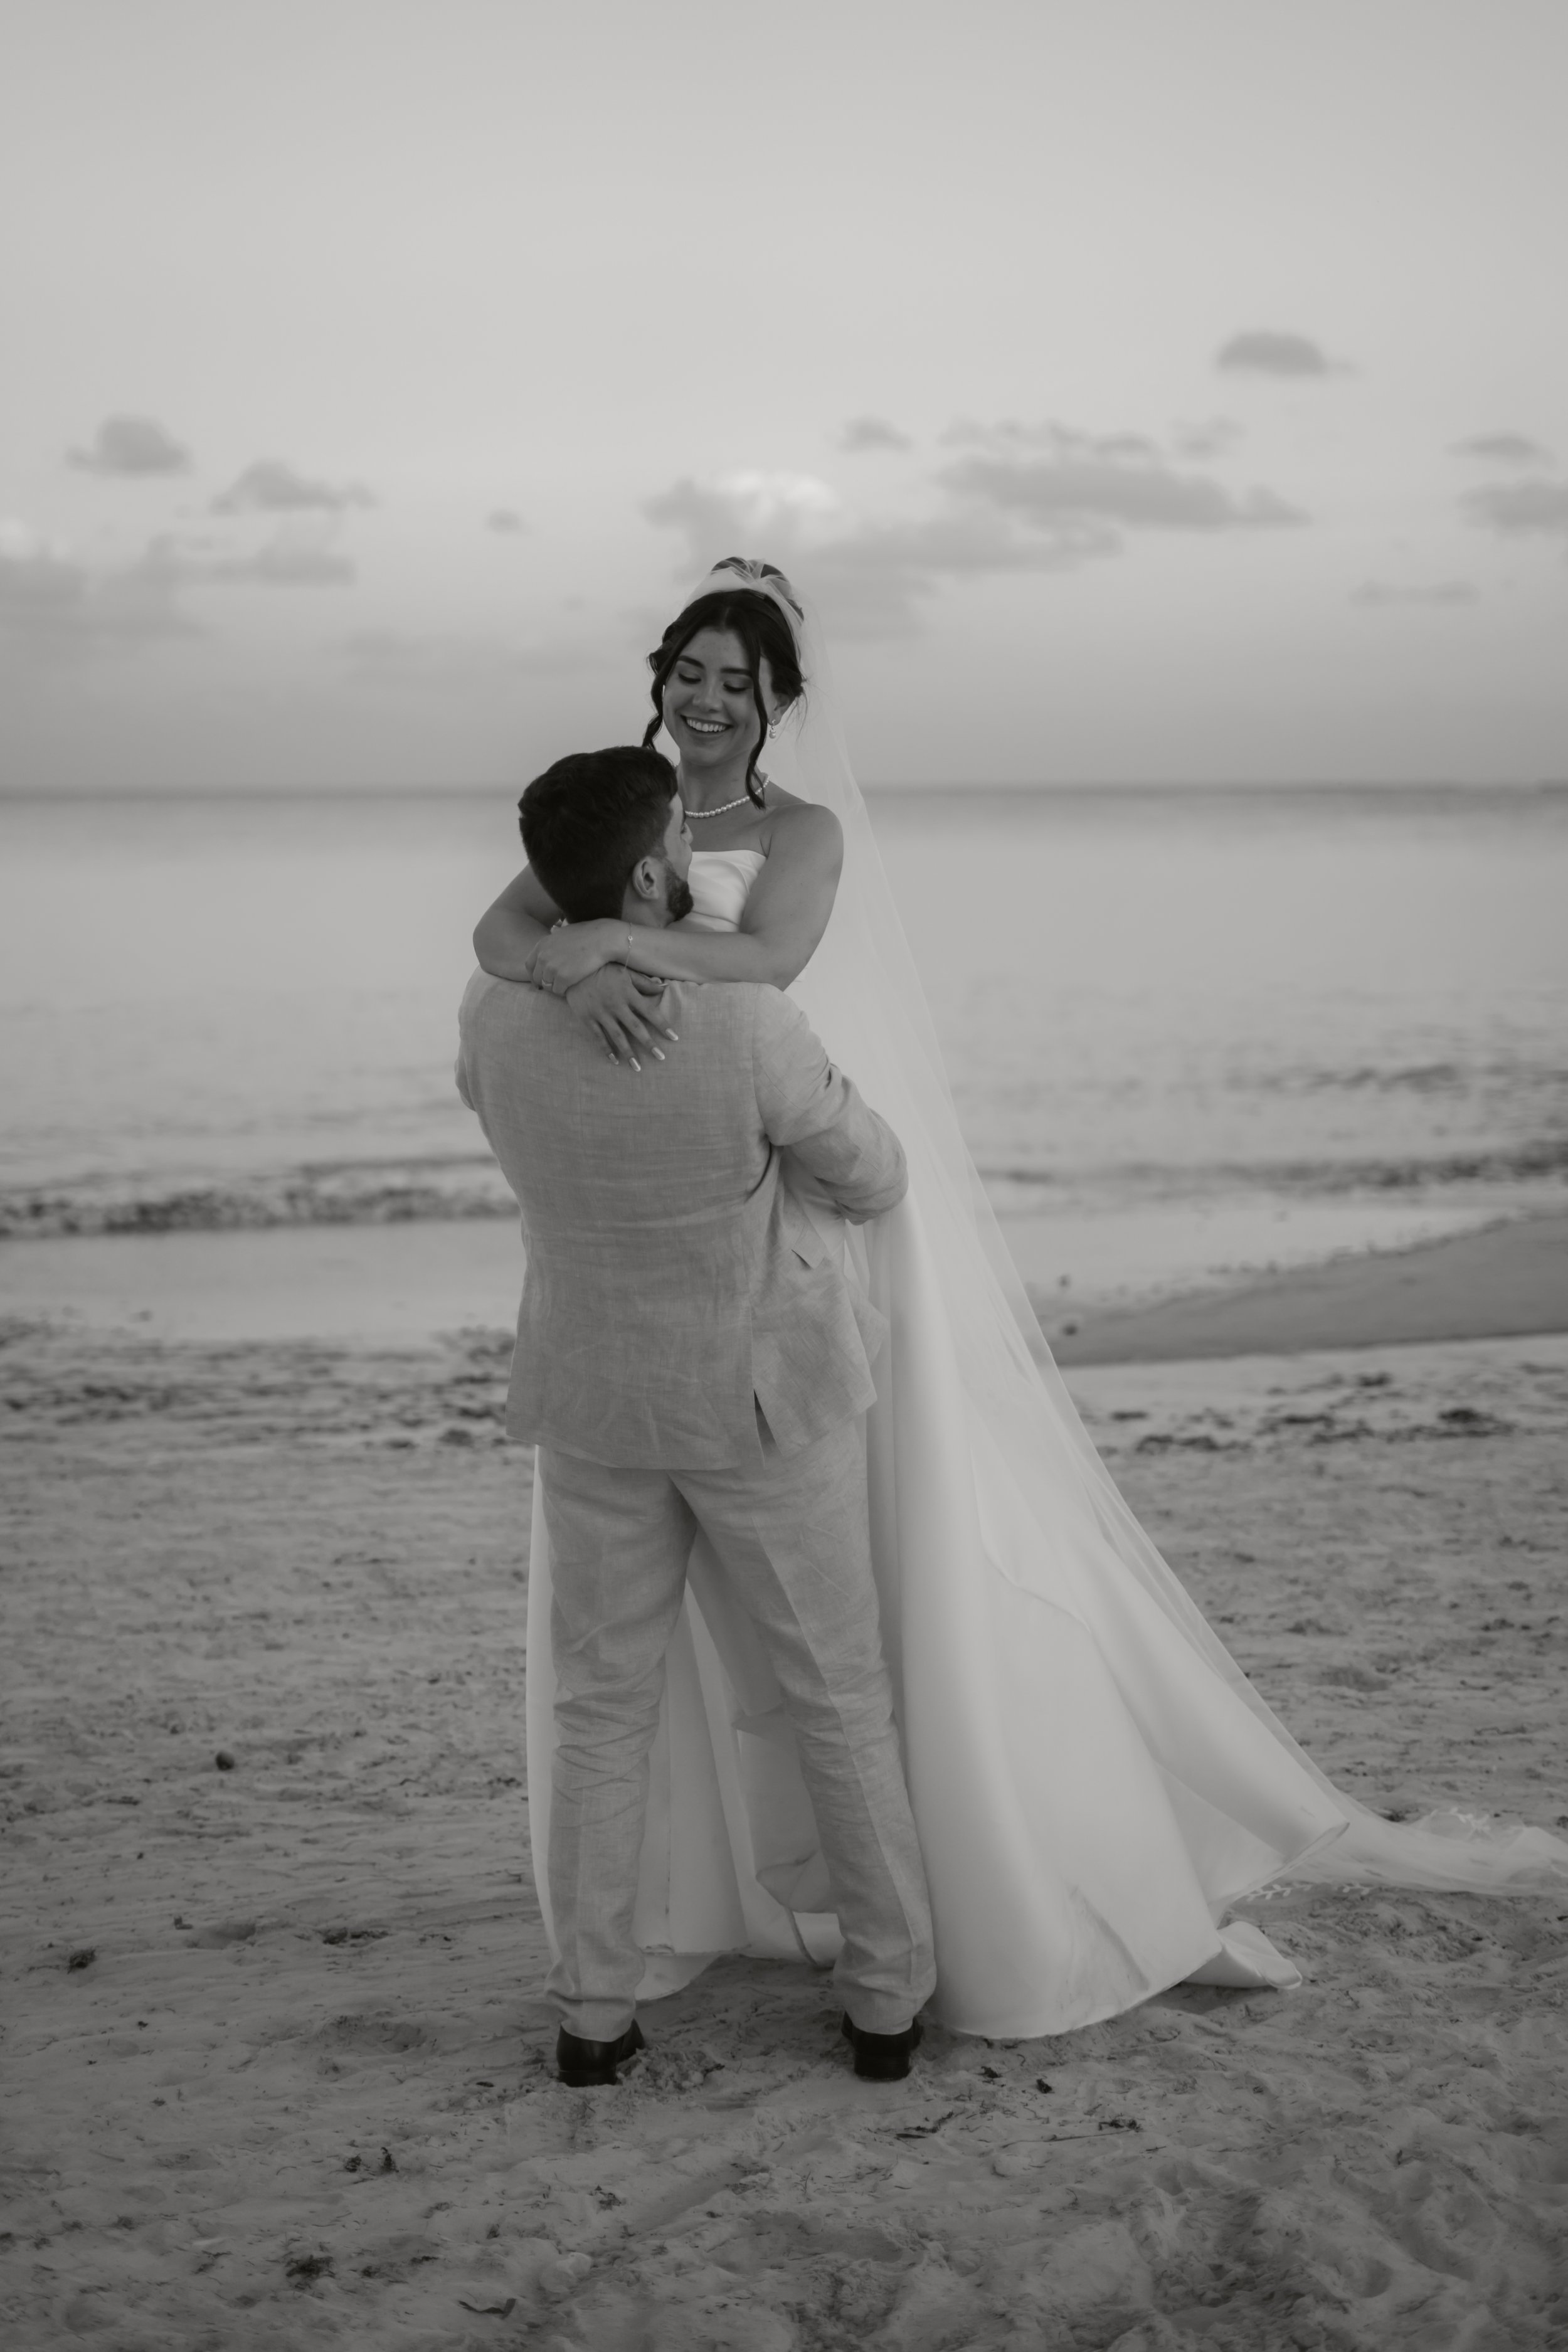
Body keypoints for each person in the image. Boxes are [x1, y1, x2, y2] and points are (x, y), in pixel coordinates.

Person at [474, 560, 1568, 2043]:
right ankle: (816, 1954)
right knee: (768, 1660)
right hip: (731, 1216)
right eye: (692, 669)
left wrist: (600, 945)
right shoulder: (609, 815)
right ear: (658, 676)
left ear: (777, 702)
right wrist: (567, 958)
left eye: (738, 680)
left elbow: (771, 959)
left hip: (760, 1206)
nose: (709, 697)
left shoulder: (783, 837)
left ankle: (673, 1986)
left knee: (813, 1594)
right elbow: (504, 939)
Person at [457, 744, 934, 2085]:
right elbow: (875, 1172)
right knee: (835, 1698)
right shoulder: (740, 1021)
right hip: (755, 1406)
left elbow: (495, 1110)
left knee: (601, 1711)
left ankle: (591, 2016)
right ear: (657, 870)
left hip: (595, 1401)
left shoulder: (488, 1014)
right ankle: (886, 2000)